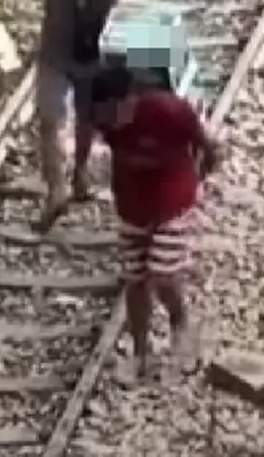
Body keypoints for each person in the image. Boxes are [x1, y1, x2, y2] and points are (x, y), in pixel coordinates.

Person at [89, 63, 221, 380]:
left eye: (114, 112)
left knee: (163, 274)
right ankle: (141, 352)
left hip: (172, 202)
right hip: (131, 205)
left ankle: (180, 325)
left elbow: (209, 145)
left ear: (130, 100)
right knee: (134, 278)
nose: (110, 123)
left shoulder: (170, 111)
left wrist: (199, 177)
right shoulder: (104, 122)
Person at [36, 0, 137, 232]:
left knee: (85, 120)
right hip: (56, 54)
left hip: (87, 54)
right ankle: (57, 189)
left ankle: (78, 175)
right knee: (50, 121)